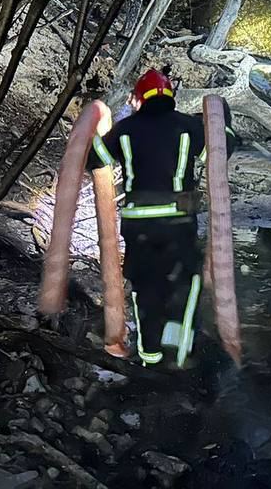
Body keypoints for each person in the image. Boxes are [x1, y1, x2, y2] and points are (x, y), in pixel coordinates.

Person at [88, 69, 207, 368]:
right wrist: (223, 124)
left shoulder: (126, 128)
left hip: (139, 226)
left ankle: (149, 358)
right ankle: (179, 359)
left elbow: (94, 158)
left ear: (139, 99)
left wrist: (96, 131)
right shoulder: (189, 126)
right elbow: (221, 150)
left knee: (146, 289)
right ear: (170, 96)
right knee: (183, 287)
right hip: (179, 225)